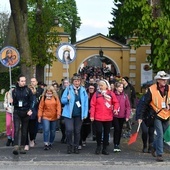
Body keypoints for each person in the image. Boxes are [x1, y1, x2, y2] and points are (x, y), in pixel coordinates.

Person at [139, 71, 170, 162]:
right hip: (156, 115)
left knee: (164, 135)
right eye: (162, 80)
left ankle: (153, 146)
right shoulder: (151, 89)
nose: (164, 81)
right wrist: (141, 116)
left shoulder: (169, 88)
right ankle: (159, 154)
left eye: (165, 79)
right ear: (158, 80)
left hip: (167, 115)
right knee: (160, 134)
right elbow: (145, 104)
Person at [90, 79, 119, 155]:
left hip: (108, 116)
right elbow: (92, 105)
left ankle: (104, 148)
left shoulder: (111, 94)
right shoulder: (96, 94)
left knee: (107, 133)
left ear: (106, 86)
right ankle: (98, 146)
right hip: (98, 117)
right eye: (99, 85)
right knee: (98, 132)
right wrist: (92, 115)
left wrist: (115, 109)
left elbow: (116, 102)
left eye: (102, 85)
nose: (100, 86)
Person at [61, 74, 88, 154]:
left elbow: (85, 103)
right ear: (72, 82)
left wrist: (85, 113)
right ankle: (69, 145)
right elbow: (62, 100)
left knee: (77, 131)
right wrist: (67, 99)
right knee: (69, 130)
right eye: (75, 81)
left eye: (78, 81)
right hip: (69, 114)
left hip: (79, 114)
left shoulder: (83, 90)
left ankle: (76, 146)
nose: (77, 83)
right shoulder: (68, 89)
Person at [12, 74, 34, 155]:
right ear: (18, 81)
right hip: (17, 111)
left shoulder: (28, 90)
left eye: (24, 81)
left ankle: (22, 146)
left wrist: (30, 109)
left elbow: (32, 101)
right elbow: (13, 103)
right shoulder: (14, 91)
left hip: (26, 112)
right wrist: (12, 101)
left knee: (24, 130)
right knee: (17, 129)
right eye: (22, 81)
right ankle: (15, 146)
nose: (23, 82)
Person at [38, 85, 61, 150]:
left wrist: (58, 113)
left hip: (54, 116)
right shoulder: (44, 97)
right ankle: (46, 143)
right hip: (46, 116)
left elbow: (58, 106)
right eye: (48, 91)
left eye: (50, 91)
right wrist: (39, 116)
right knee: (46, 130)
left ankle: (51, 142)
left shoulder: (56, 97)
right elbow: (41, 107)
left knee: (53, 131)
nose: (49, 93)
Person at [113, 82, 131, 152]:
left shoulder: (125, 96)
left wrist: (127, 116)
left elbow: (128, 106)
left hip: (122, 115)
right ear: (116, 88)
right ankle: (115, 144)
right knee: (117, 129)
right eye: (120, 87)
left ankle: (118, 143)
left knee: (120, 130)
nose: (121, 88)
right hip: (115, 115)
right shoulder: (113, 95)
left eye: (122, 87)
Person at [79, 84, 96, 149]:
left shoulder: (95, 95)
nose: (91, 89)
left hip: (90, 114)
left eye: (92, 88)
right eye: (90, 88)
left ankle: (84, 138)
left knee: (87, 129)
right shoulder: (85, 95)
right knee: (81, 128)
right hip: (83, 113)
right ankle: (80, 141)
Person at [24, 85, 39, 151]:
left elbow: (34, 104)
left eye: (32, 89)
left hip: (33, 115)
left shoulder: (34, 97)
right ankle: (26, 143)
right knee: (25, 130)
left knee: (32, 130)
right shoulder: (24, 97)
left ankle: (32, 139)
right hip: (25, 115)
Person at [58, 78, 70, 143]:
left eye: (67, 83)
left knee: (68, 124)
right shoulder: (61, 91)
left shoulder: (71, 90)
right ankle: (63, 135)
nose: (65, 84)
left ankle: (68, 136)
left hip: (68, 108)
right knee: (62, 123)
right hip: (62, 108)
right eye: (64, 83)